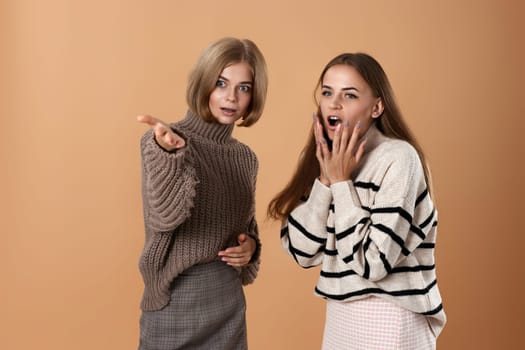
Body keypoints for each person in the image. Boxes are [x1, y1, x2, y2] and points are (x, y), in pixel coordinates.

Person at [268, 53, 445, 349]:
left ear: (376, 107)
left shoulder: (399, 159)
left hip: (394, 316)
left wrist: (341, 183)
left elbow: (375, 263)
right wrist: (325, 182)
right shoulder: (322, 158)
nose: (334, 104)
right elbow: (301, 250)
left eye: (349, 95)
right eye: (327, 92)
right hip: (341, 314)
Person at [136, 37, 268, 350]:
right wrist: (171, 157)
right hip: (175, 298)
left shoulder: (245, 157)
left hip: (226, 297)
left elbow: (245, 228)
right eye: (221, 83)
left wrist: (251, 248)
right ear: (204, 83)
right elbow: (165, 218)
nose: (232, 97)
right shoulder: (162, 141)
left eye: (244, 87)